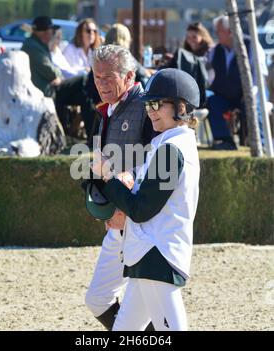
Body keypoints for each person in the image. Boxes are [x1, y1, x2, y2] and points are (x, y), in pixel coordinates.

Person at [91, 68, 200, 331]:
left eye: (156, 104)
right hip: (145, 254)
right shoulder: (164, 146)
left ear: (181, 107)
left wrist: (108, 177)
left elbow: (141, 210)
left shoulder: (172, 151)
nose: (150, 110)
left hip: (157, 255)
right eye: (148, 104)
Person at [84, 44, 154, 331]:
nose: (101, 84)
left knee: (152, 307)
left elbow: (158, 163)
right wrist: (104, 207)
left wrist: (124, 200)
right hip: (117, 220)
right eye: (96, 77)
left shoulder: (148, 108)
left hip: (142, 223)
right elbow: (97, 166)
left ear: (129, 75)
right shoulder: (102, 111)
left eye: (108, 77)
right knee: (98, 299)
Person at [21, 16, 96, 138]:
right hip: (46, 92)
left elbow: (54, 71)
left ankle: (92, 137)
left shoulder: (37, 45)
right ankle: (90, 136)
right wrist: (58, 76)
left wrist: (58, 76)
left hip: (50, 89)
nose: (53, 34)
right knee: (85, 81)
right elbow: (51, 72)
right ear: (45, 33)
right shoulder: (33, 47)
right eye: (52, 31)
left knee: (86, 95)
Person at [207, 15, 268, 149]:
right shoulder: (215, 51)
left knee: (252, 103)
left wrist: (251, 92)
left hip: (247, 94)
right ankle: (225, 141)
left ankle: (260, 143)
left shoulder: (251, 45)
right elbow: (210, 76)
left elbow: (260, 75)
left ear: (230, 31)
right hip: (224, 96)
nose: (216, 34)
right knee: (213, 102)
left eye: (218, 31)